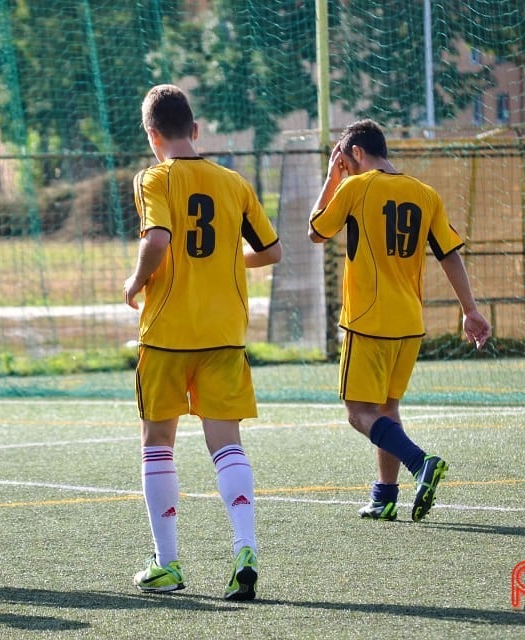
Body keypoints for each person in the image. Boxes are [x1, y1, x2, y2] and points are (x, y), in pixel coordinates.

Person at [123, 84, 282, 601]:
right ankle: (244, 549)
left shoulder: (153, 177)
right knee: (227, 445)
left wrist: (135, 281)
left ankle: (168, 563)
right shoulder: (232, 182)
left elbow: (159, 239)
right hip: (224, 333)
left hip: (168, 333)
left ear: (152, 136)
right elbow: (272, 250)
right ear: (195, 130)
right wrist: (227, 262)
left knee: (157, 444)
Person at [308, 119, 491, 523]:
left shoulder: (355, 186)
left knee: (358, 412)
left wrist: (331, 179)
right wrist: (470, 310)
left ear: (355, 153)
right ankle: (385, 495)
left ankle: (419, 462)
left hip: (367, 321)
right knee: (387, 409)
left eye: (345, 160)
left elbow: (317, 230)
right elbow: (449, 254)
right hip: (409, 322)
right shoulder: (424, 193)